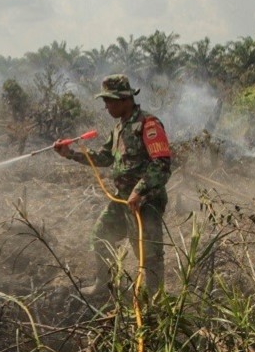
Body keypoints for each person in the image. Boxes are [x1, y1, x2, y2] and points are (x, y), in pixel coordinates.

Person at [54, 73, 172, 295]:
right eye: (105, 101)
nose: (106, 106)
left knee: (148, 253)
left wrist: (139, 191)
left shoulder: (148, 124)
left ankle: (156, 300)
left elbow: (162, 165)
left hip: (145, 201)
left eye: (110, 101)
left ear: (125, 99)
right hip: (122, 199)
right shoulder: (119, 128)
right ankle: (106, 287)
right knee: (101, 236)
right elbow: (104, 157)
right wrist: (69, 153)